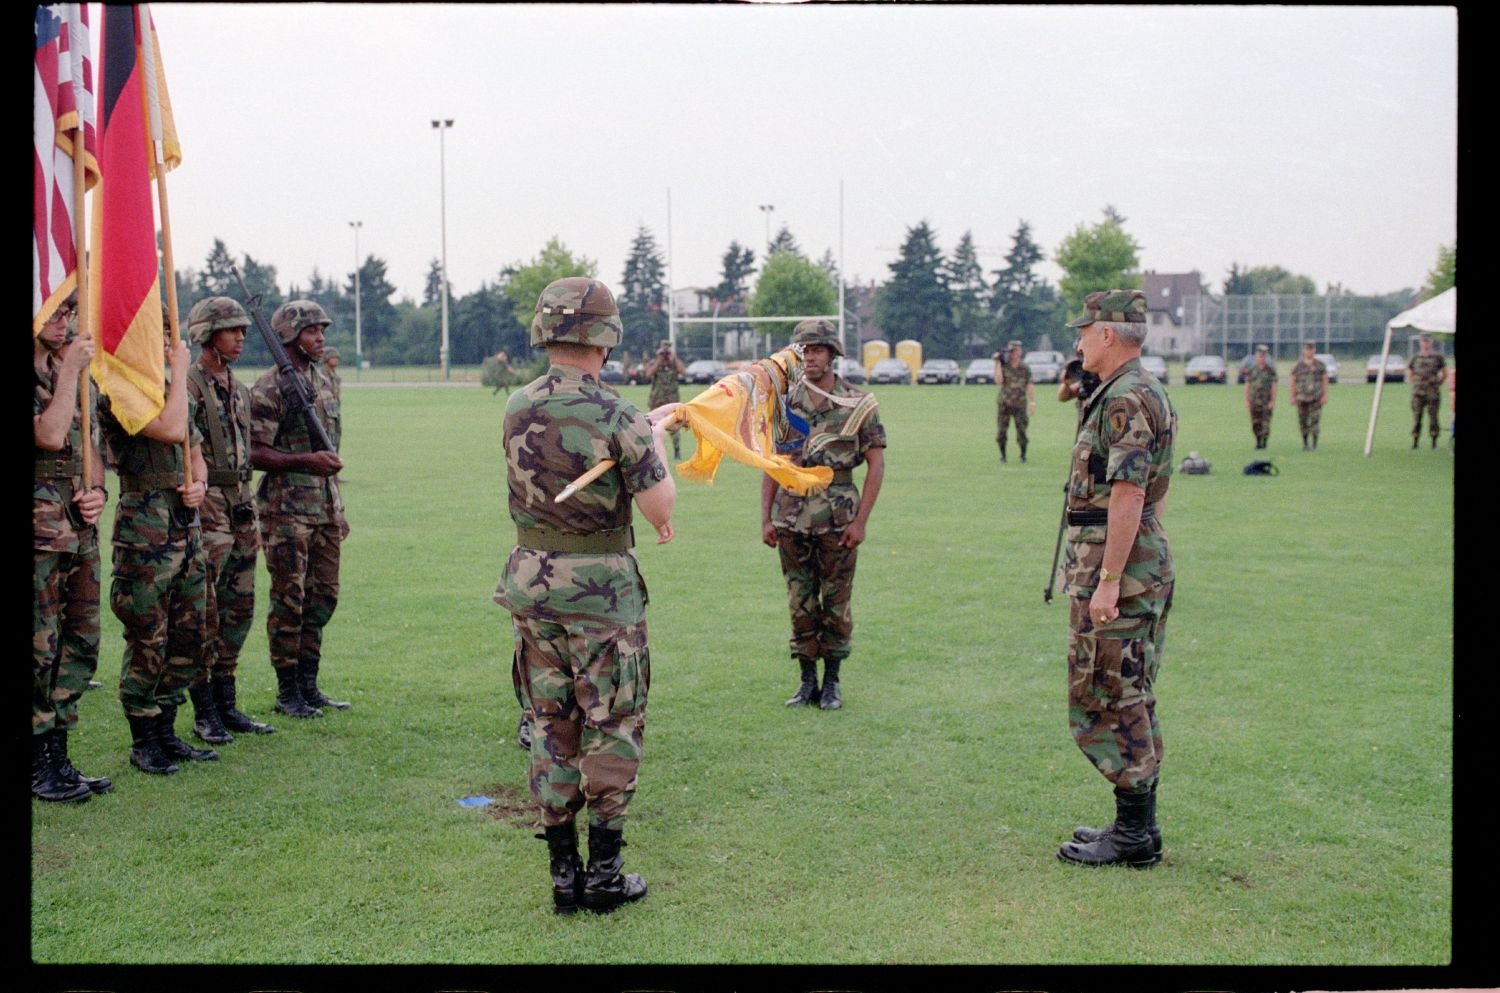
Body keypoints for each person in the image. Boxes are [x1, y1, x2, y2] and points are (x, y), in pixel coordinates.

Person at [495, 276, 677, 915]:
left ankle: (562, 875)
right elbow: (660, 507)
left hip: (532, 584)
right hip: (601, 592)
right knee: (611, 721)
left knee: (550, 723)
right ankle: (603, 874)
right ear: (604, 337)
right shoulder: (619, 413)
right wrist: (652, 439)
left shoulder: (517, 404)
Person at [1054, 290, 1176, 869]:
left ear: (1107, 334)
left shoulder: (1127, 398)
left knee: (1110, 690)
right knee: (1127, 686)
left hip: (1118, 568)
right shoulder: (1133, 391)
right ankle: (1136, 825)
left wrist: (1110, 578)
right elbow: (1157, 491)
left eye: (1084, 331)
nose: (1077, 341)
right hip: (1129, 559)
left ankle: (1134, 835)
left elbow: (1130, 492)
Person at [100, 332, 215, 775]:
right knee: (149, 635)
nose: (170, 344)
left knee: (191, 633)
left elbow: (195, 449)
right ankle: (144, 737)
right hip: (144, 531)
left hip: (184, 528)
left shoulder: (171, 392)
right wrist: (181, 371)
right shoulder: (117, 388)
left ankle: (167, 727)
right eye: (161, 336)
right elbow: (169, 429)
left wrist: (199, 484)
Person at [761, 318, 886, 712]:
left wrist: (861, 521)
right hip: (791, 517)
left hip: (838, 519)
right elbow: (772, 463)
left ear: (833, 354)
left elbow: (876, 464)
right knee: (799, 601)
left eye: (817, 349)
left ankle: (832, 682)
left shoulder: (857, 402)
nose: (810, 356)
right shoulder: (784, 401)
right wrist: (765, 517)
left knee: (835, 602)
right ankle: (806, 681)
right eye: (803, 350)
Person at [250, 300, 349, 719]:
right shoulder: (270, 387)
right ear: (289, 336)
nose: (320, 337)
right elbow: (253, 452)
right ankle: (287, 690)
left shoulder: (321, 378)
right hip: (285, 510)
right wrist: (304, 462)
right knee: (290, 599)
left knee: (322, 596)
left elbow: (330, 449)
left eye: (322, 330)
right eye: (311, 331)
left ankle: (310, 685)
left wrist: (338, 506)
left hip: (324, 507)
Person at [33, 297, 112, 801]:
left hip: (77, 526)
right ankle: (37, 762)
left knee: (79, 641)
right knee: (38, 646)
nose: (65, 323)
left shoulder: (73, 371)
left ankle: (58, 753)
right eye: (56, 314)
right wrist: (70, 373)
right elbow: (50, 433)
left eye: (70, 314)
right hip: (39, 530)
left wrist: (98, 490)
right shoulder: (65, 374)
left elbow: (93, 446)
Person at [185, 297, 275, 741]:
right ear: (206, 334)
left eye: (243, 329)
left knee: (240, 607)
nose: (241, 336)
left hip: (241, 504)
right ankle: (204, 711)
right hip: (208, 508)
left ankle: (227, 703)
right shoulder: (188, 386)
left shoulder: (238, 389)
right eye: (231, 329)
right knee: (207, 610)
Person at [644, 339, 687, 459]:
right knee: (651, 425)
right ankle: (652, 452)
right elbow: (648, 374)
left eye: (667, 351)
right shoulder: (656, 362)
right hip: (657, 399)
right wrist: (659, 359)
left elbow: (684, 373)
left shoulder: (675, 363)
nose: (666, 354)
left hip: (671, 399)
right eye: (664, 350)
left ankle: (676, 451)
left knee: (674, 426)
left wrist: (674, 357)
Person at [993, 340, 1034, 463]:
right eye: (1011, 351)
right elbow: (998, 381)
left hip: (1020, 404)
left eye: (1016, 351)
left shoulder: (1024, 367)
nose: (1014, 353)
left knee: (1022, 431)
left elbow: (1030, 384)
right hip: (1004, 403)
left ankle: (1023, 455)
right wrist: (997, 363)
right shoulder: (1004, 366)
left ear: (1020, 352)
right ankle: (1003, 456)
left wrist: (1032, 402)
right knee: (1001, 432)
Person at [1407, 334, 1447, 449]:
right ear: (1420, 343)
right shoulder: (1415, 358)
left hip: (1433, 393)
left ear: (1431, 342)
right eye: (1423, 341)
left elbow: (1445, 373)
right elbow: (1410, 373)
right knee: (1417, 417)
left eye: (1427, 341)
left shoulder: (1437, 357)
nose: (1425, 343)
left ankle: (1434, 443)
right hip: (1418, 393)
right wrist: (1417, 382)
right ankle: (1415, 442)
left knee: (1433, 418)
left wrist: (1437, 384)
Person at [1289, 341, 1329, 451]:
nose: (1309, 351)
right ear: (1303, 350)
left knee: (1315, 421)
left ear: (1314, 350)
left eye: (1311, 349)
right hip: (1302, 398)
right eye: (1307, 349)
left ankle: (1315, 444)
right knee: (1303, 421)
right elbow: (1293, 381)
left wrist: (1325, 396)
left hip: (1316, 398)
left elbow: (1325, 381)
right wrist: (1292, 397)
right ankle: (1305, 443)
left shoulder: (1320, 365)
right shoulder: (1298, 366)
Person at [1243, 344, 1277, 449]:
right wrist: (1246, 400)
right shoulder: (1252, 370)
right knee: (1255, 423)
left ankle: (1264, 442)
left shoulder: (1271, 371)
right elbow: (1247, 385)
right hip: (1254, 400)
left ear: (1266, 357)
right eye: (1260, 356)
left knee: (1266, 423)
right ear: (1256, 356)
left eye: (1264, 356)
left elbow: (1274, 386)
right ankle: (1258, 442)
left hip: (1266, 401)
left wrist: (1272, 400)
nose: (1261, 358)